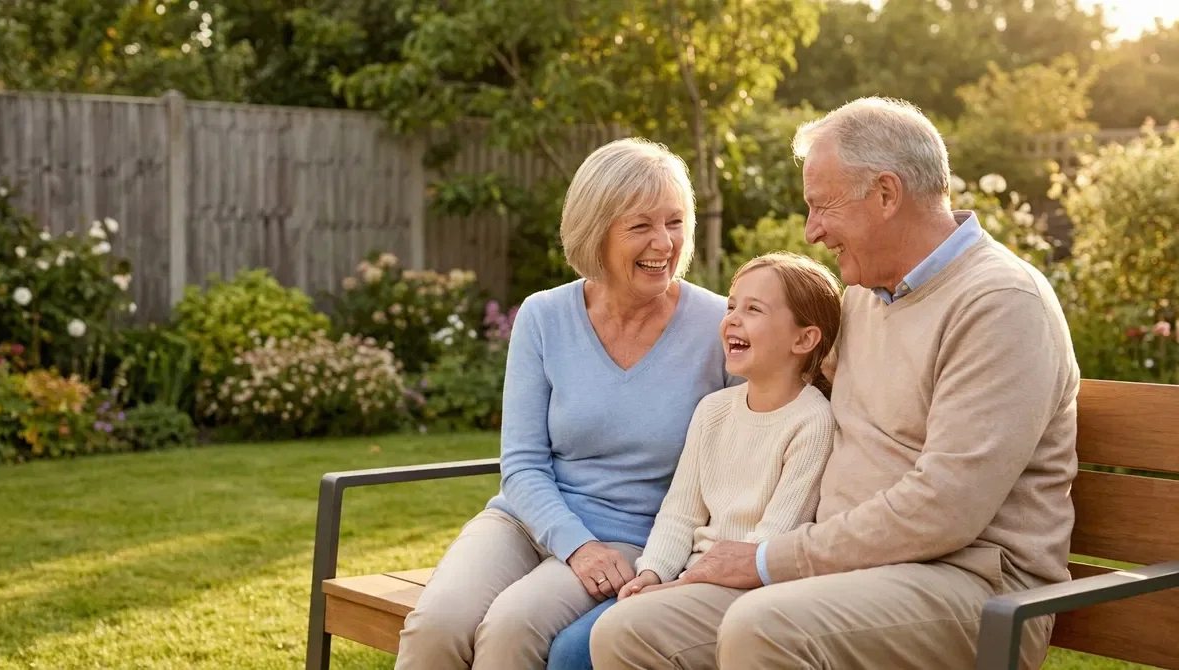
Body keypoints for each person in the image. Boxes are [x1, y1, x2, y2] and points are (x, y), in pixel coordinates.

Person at [589, 96, 1081, 670]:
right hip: (846, 575)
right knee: (629, 631)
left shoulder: (998, 304)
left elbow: (946, 509)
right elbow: (783, 385)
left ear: (887, 194)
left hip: (970, 585)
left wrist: (770, 559)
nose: (812, 230)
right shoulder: (866, 297)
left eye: (822, 207)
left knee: (764, 627)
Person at [393, 137, 738, 670]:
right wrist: (575, 544)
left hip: (631, 538)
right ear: (595, 232)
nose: (664, 242)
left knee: (510, 630)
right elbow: (523, 463)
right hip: (524, 523)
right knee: (435, 625)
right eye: (640, 226)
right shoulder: (544, 316)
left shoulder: (719, 327)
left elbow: (749, 448)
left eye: (674, 222)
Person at [547, 252, 842, 670]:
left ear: (804, 339)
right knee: (569, 651)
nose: (732, 320)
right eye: (732, 306)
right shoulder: (713, 410)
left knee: (605, 638)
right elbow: (679, 515)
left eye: (753, 309)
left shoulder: (812, 422)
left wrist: (677, 587)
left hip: (746, 590)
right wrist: (650, 574)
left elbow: (771, 541)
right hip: (688, 578)